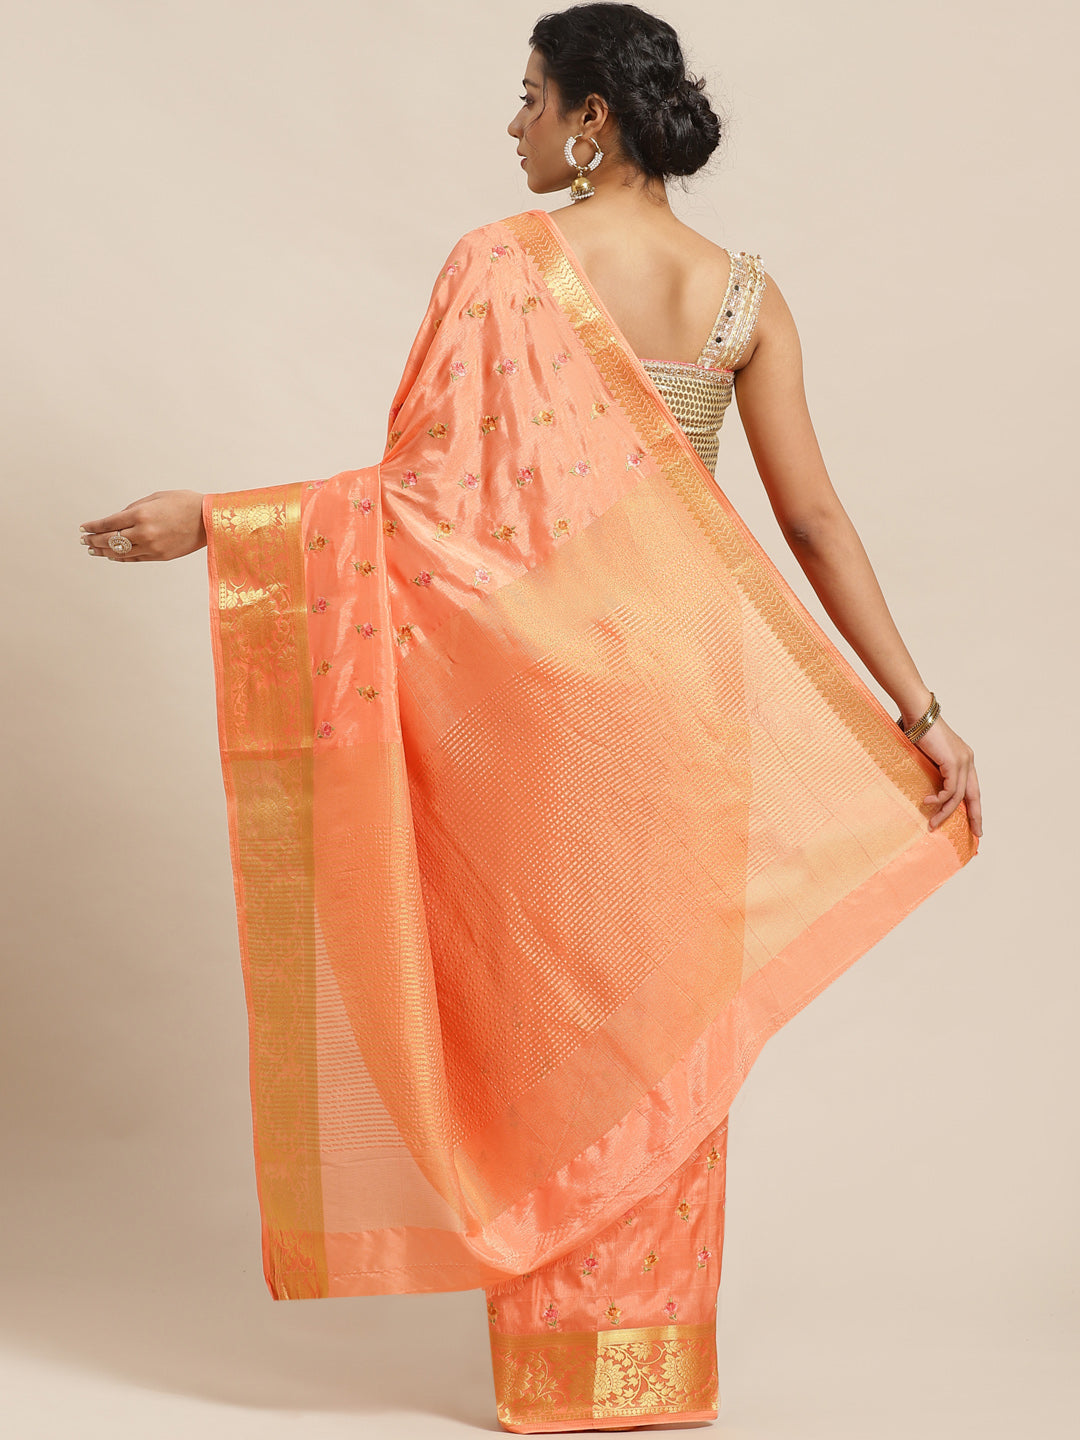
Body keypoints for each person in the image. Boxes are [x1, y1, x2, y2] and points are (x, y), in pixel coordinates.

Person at [76, 4, 982, 1432]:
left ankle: (560, 1373)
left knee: (551, 1018)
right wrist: (920, 709)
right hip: (688, 712)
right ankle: (648, 1371)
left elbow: (427, 508)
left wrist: (224, 521)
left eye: (529, 98)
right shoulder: (744, 296)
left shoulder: (501, 263)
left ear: (591, 119)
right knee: (662, 1023)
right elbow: (812, 521)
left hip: (550, 720)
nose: (514, 127)